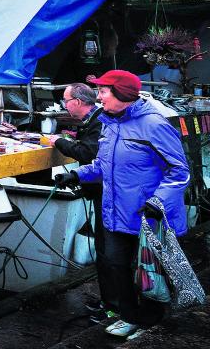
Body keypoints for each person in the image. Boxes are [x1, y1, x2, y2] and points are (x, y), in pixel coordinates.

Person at [54, 70, 190, 339]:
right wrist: (77, 174)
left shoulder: (154, 124)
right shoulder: (109, 123)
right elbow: (103, 166)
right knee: (117, 266)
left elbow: (180, 170)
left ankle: (149, 322)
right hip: (115, 213)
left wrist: (158, 201)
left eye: (104, 91)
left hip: (147, 217)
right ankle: (129, 316)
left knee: (150, 271)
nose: (99, 96)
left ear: (122, 94)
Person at [52, 83, 109, 319]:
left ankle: (115, 307)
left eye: (66, 101)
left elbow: (89, 154)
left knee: (109, 251)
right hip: (102, 191)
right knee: (106, 249)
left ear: (76, 101)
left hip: (109, 195)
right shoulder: (97, 119)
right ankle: (110, 301)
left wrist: (58, 142)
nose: (64, 105)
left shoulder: (101, 120)